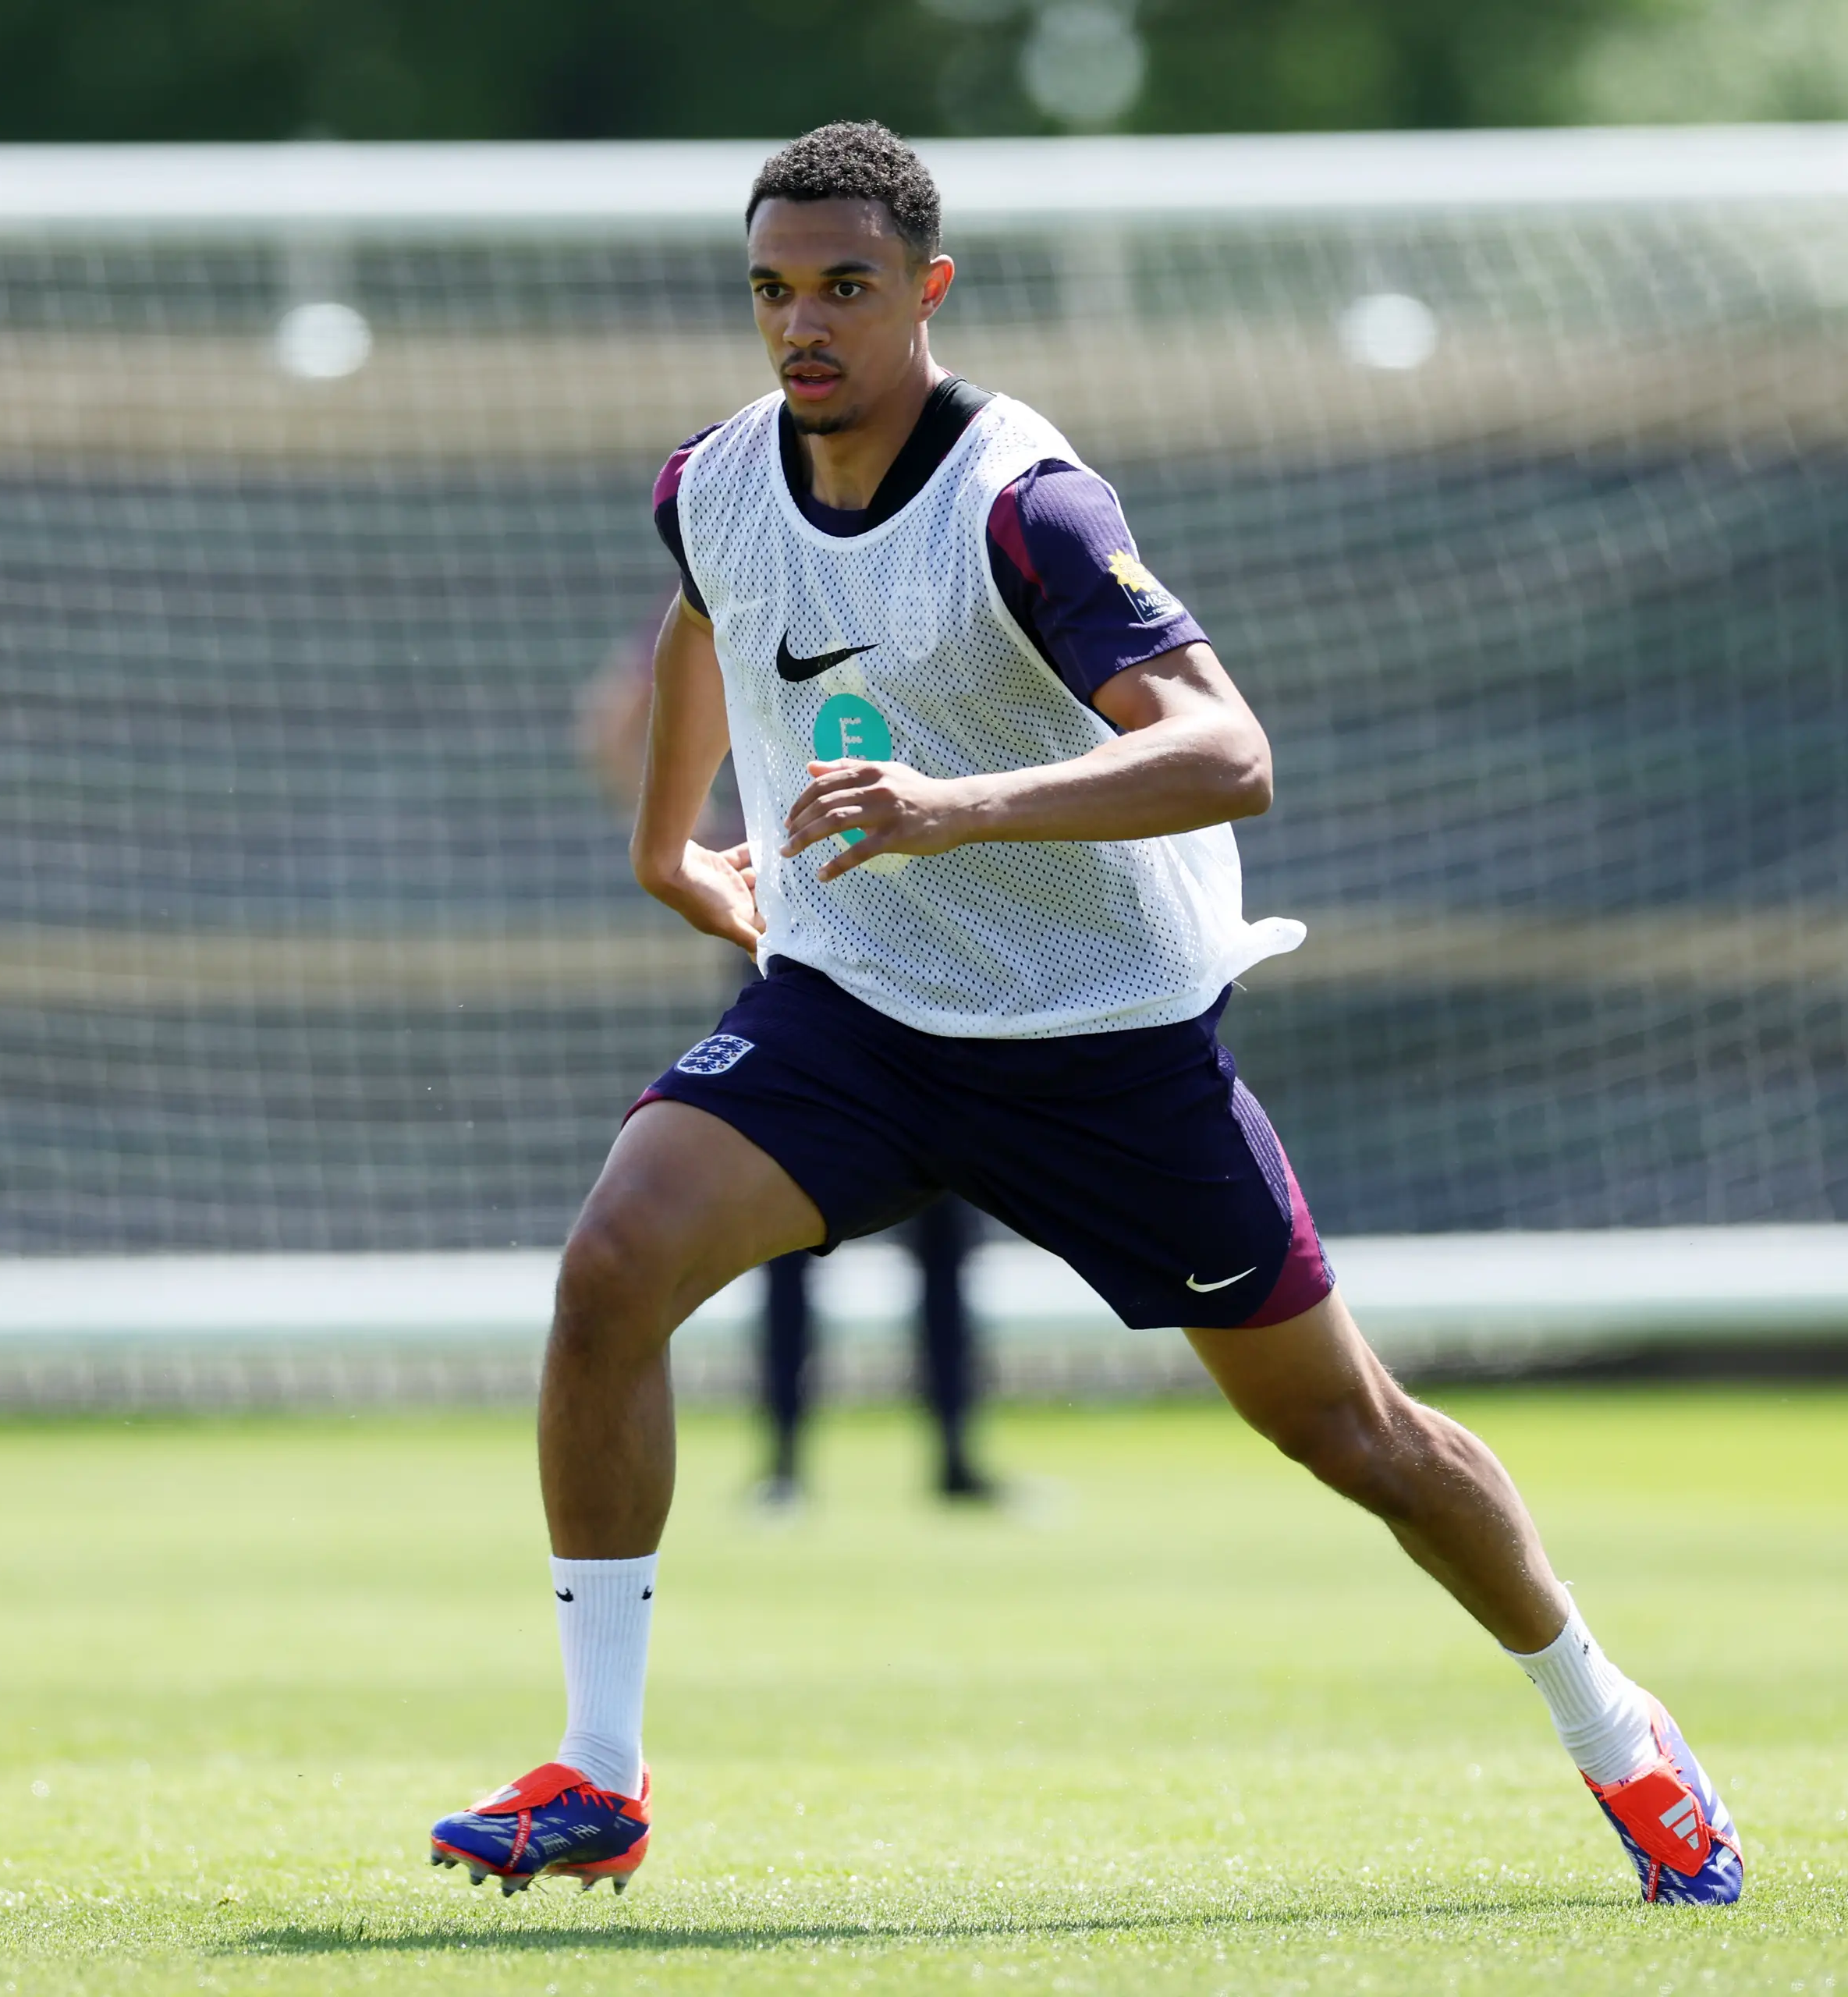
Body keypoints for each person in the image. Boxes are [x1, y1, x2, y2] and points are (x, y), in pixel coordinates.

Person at [431, 122, 1743, 1907]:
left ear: (927, 291)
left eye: (843, 288)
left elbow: (1229, 750)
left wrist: (949, 804)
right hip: (855, 1011)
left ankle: (1615, 1726)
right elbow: (701, 616)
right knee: (609, 1270)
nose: (802, 323)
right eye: (772, 290)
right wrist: (672, 849)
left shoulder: (1025, 501)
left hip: (1103, 1045)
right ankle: (598, 1767)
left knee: (1350, 1433)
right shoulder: (715, 479)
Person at [585, 612, 998, 1509]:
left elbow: (613, 718)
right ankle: (851, 1458)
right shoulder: (739, 581)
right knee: (832, 1212)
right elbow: (616, 717)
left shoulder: (818, 582)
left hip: (908, 935)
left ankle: (862, 1461)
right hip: (821, 930)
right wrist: (686, 837)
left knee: (912, 1216)